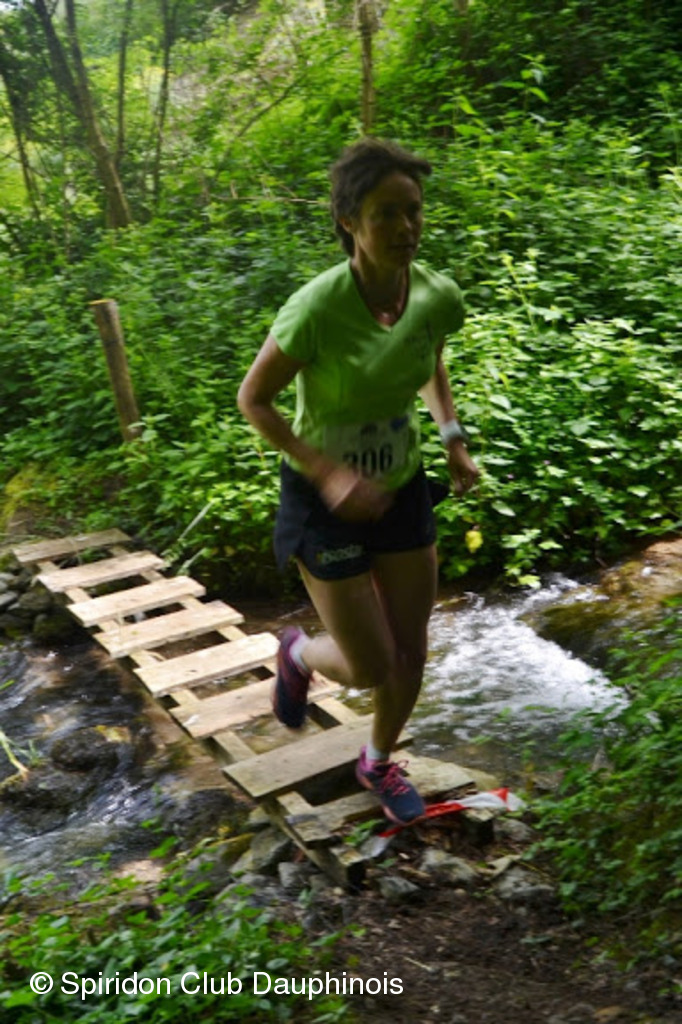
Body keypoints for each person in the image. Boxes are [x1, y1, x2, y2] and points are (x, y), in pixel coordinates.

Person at [237, 138, 479, 825]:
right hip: (324, 502)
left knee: (411, 649)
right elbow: (254, 400)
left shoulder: (435, 294)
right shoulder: (316, 308)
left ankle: (377, 759)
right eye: (385, 214)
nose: (406, 227)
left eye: (413, 210)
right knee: (371, 664)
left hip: (401, 485)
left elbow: (428, 356)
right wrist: (329, 473)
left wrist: (452, 438)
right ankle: (298, 652)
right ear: (349, 221)